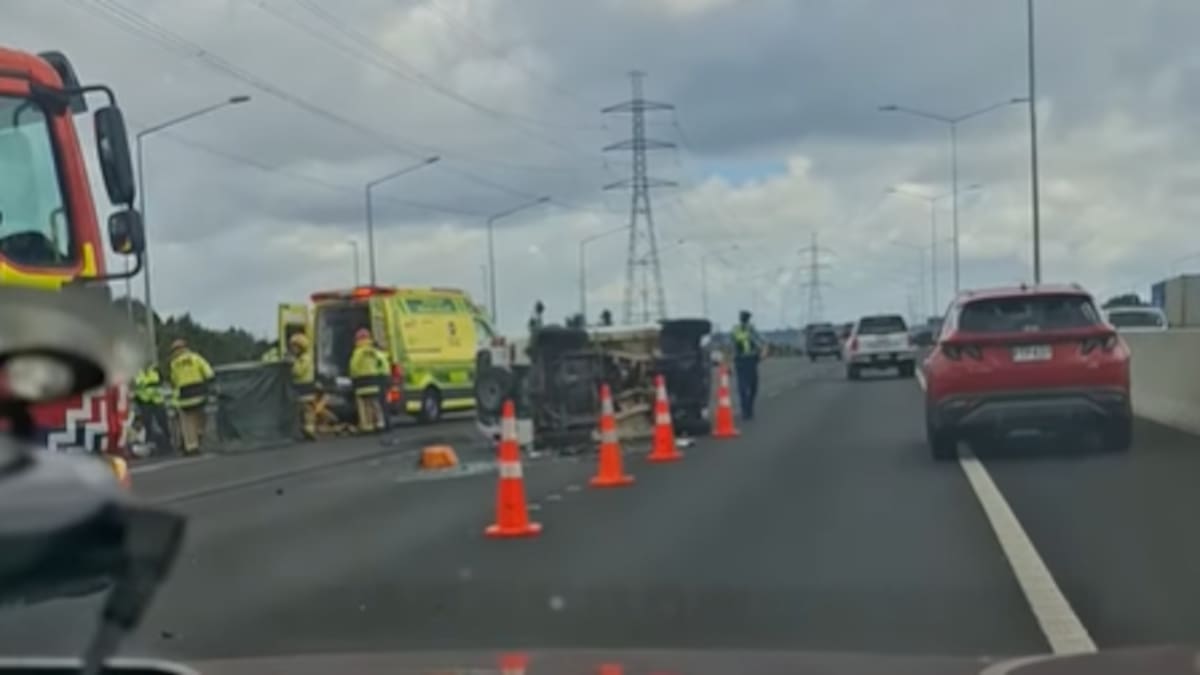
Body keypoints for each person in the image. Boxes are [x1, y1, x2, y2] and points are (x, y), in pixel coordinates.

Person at [167, 338, 215, 455]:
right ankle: (199, 434)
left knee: (188, 422)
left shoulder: (174, 364)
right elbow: (209, 373)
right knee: (200, 417)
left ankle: (192, 446)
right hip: (199, 393)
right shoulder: (196, 358)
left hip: (185, 396)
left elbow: (174, 381)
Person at [348, 328, 388, 433]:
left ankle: (367, 425)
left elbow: (354, 366)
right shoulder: (374, 352)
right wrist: (380, 374)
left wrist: (353, 376)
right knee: (374, 403)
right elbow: (383, 364)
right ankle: (380, 423)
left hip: (361, 382)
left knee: (363, 405)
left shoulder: (358, 352)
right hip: (373, 381)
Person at [730, 310, 766, 421]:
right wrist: (763, 351)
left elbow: (762, 341)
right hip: (744, 360)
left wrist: (762, 351)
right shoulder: (740, 330)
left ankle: (747, 408)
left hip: (747, 360)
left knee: (750, 386)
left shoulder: (747, 329)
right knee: (745, 386)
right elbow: (733, 345)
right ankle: (746, 410)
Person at [132, 363, 172, 454]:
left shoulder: (155, 370)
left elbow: (163, 383)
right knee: (147, 424)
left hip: (157, 401)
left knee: (163, 423)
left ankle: (168, 443)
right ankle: (151, 446)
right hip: (144, 401)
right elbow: (134, 386)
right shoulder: (136, 373)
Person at [288, 333, 317, 440]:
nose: (293, 349)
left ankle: (309, 430)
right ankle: (304, 431)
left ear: (301, 347)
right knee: (301, 411)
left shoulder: (304, 359)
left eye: (295, 346)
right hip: (300, 388)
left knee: (307, 410)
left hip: (305, 388)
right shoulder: (302, 358)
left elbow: (298, 372)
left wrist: (293, 363)